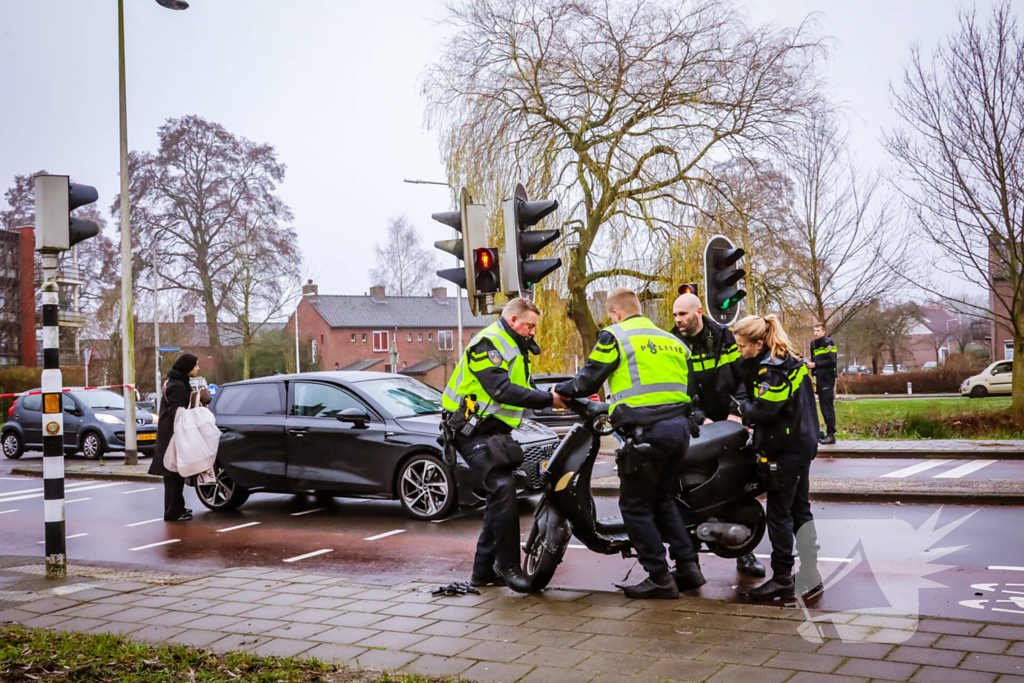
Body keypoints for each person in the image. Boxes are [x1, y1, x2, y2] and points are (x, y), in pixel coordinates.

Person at [554, 287, 703, 600]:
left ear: (615, 313)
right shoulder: (672, 341)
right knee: (662, 498)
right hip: (679, 431)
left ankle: (660, 578)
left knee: (634, 506)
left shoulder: (615, 336)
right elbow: (689, 387)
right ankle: (688, 567)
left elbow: (587, 380)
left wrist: (562, 391)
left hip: (646, 434)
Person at [441, 297, 564, 593]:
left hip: (493, 434)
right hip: (468, 430)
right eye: (529, 325)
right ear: (513, 321)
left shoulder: (515, 347)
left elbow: (524, 390)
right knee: (503, 488)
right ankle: (507, 565)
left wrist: (558, 397)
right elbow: (501, 390)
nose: (533, 331)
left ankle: (482, 573)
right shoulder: (488, 343)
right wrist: (549, 399)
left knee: (500, 494)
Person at [671, 292, 765, 579]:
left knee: (733, 484)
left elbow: (743, 379)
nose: (678, 321)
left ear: (699, 312)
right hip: (694, 422)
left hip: (729, 419)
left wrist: (736, 413)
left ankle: (743, 553)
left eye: (682, 315)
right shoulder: (672, 342)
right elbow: (677, 390)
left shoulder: (725, 338)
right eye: (675, 316)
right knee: (684, 489)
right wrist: (700, 418)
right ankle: (687, 563)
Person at [732, 315, 821, 601]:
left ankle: (782, 578)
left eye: (743, 346)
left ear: (759, 343)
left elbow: (763, 411)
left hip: (786, 448)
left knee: (779, 513)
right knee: (799, 509)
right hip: (801, 441)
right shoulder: (788, 359)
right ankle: (810, 573)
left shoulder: (772, 369)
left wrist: (740, 404)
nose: (740, 351)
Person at [148, 353, 200, 522]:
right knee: (172, 475)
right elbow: (177, 411)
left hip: (172, 433)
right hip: (172, 435)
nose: (198, 368)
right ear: (187, 367)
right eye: (195, 365)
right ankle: (172, 512)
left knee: (176, 475)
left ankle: (177, 508)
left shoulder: (177, 382)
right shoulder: (177, 385)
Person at [809, 322, 838, 444]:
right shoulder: (813, 344)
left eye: (818, 331)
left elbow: (832, 359)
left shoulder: (828, 343)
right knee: (822, 406)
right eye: (814, 330)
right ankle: (826, 433)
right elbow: (813, 359)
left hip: (828, 377)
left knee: (827, 406)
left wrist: (815, 365)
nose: (816, 333)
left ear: (824, 332)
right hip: (819, 378)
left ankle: (831, 434)